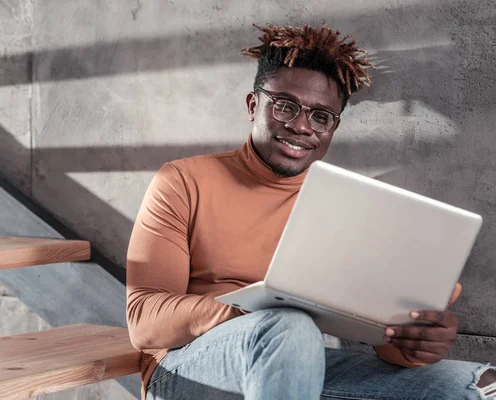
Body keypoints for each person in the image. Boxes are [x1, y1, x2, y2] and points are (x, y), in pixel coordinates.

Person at [126, 23, 496, 400]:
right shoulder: (184, 181)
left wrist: (413, 342)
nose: (302, 126)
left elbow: (383, 346)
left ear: (333, 127)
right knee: (290, 327)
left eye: (321, 116)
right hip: (186, 370)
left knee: (479, 386)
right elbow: (144, 322)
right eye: (285, 106)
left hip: (296, 366)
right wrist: (254, 311)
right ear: (254, 105)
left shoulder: (346, 206)